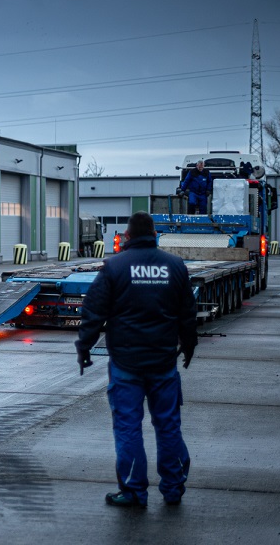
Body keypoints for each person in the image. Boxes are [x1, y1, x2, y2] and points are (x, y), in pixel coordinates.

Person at [75, 211, 197, 508]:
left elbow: (94, 311)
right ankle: (173, 488)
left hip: (126, 364)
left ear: (127, 236)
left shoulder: (114, 266)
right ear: (154, 234)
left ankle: (133, 492)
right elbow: (187, 314)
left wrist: (84, 346)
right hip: (163, 363)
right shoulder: (175, 265)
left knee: (128, 427)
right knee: (168, 426)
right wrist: (189, 345)